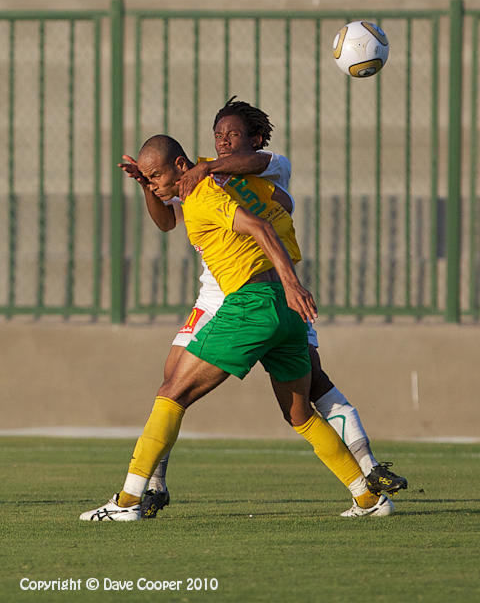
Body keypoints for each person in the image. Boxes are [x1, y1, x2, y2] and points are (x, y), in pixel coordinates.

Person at [80, 134, 394, 521]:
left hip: (250, 305)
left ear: (181, 167)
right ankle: (368, 498)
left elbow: (260, 226)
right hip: (283, 308)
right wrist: (289, 284)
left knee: (172, 392)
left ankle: (128, 501)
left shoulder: (203, 192)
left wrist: (294, 282)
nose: (156, 184)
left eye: (157, 175)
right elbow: (271, 205)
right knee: (299, 414)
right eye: (148, 178)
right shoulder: (210, 181)